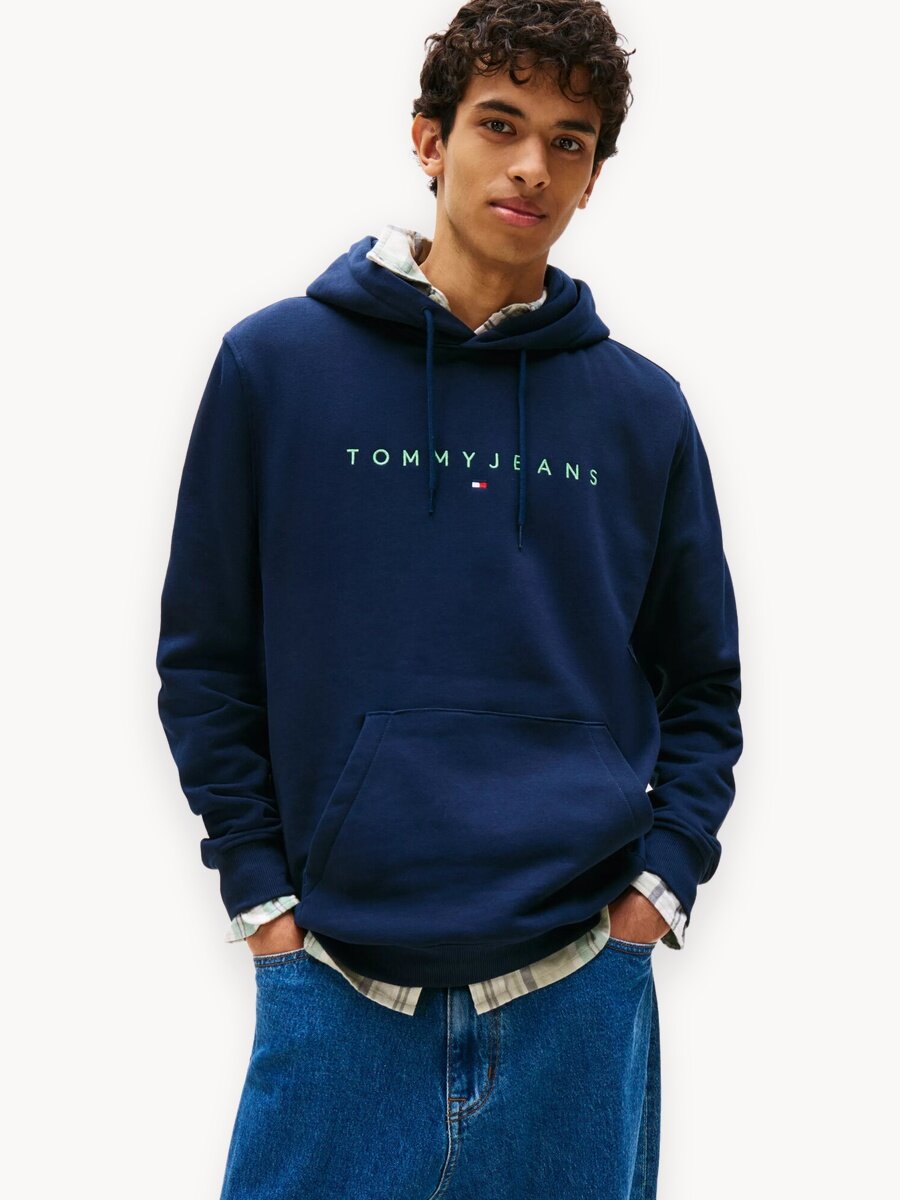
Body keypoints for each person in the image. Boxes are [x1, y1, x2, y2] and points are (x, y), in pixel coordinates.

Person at [155, 2, 742, 1196]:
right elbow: (206, 659)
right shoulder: (275, 370)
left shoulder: (643, 413)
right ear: (430, 138)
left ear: (593, 175)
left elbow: (704, 684)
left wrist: (657, 892)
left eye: (569, 142)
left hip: (576, 991)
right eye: (500, 124)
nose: (533, 167)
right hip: (336, 989)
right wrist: (263, 902)